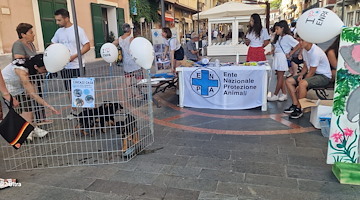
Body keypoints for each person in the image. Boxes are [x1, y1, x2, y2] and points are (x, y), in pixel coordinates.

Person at [2, 54, 60, 140]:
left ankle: (30, 129)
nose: (46, 71)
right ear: (36, 67)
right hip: (8, 88)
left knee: (28, 109)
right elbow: (32, 93)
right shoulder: (22, 72)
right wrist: (48, 105)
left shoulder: (30, 66)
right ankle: (25, 133)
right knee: (23, 112)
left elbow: (32, 91)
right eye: (44, 69)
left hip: (18, 87)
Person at [12, 23, 50, 125]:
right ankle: (29, 123)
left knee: (37, 95)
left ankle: (41, 118)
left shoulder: (31, 44)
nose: (33, 34)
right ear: (23, 34)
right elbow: (19, 58)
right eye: (31, 32)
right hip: (23, 76)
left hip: (33, 74)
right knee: (29, 99)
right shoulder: (18, 44)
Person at [284, 37, 332, 119]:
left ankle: (300, 108)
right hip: (314, 74)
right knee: (289, 81)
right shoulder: (305, 50)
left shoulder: (315, 52)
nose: (300, 43)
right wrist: (301, 75)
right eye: (299, 40)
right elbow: (306, 66)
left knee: (302, 84)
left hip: (323, 76)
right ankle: (295, 104)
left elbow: (312, 72)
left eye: (302, 41)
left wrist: (301, 83)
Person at [51, 8, 90, 91]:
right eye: (56, 20)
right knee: (68, 89)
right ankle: (71, 104)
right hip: (64, 67)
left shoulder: (78, 30)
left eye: (59, 20)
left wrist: (74, 56)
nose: (57, 22)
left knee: (80, 91)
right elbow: (53, 45)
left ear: (67, 18)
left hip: (77, 66)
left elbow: (87, 46)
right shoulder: (58, 32)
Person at [268, 20, 300, 102]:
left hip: (282, 57)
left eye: (277, 29)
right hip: (277, 57)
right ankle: (284, 93)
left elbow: (298, 44)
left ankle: (275, 94)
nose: (276, 31)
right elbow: (276, 47)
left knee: (280, 77)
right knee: (279, 77)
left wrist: (291, 53)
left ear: (282, 28)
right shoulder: (279, 37)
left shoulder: (288, 37)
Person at [112, 23, 142, 99]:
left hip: (126, 62)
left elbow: (112, 45)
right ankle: (138, 94)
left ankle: (129, 95)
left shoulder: (119, 39)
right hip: (135, 62)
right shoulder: (131, 39)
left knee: (128, 79)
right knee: (139, 79)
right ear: (129, 30)